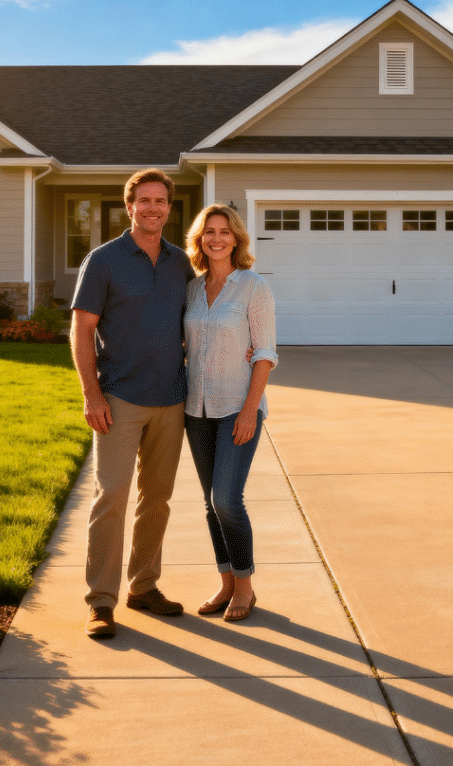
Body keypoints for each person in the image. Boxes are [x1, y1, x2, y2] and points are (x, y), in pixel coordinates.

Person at [70, 168, 196, 639]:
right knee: (112, 497)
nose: (153, 208)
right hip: (119, 399)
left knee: (157, 500)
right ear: (129, 206)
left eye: (160, 201)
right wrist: (91, 394)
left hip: (172, 400)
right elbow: (82, 331)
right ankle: (100, 602)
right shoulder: (103, 261)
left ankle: (144, 586)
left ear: (169, 207)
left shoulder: (180, 262)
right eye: (144, 200)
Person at [183, 204, 277, 622]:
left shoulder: (253, 287)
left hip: (238, 407)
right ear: (199, 239)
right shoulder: (193, 288)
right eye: (209, 232)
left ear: (236, 239)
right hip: (196, 408)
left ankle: (245, 586)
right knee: (209, 502)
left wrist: (249, 410)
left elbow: (265, 353)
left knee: (227, 499)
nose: (216, 238)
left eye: (224, 231)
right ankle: (224, 583)